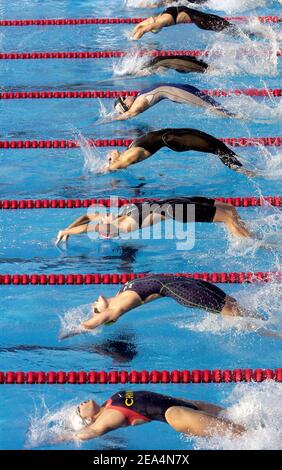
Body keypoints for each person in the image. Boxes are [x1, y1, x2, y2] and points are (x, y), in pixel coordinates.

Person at [59, 390, 245, 441]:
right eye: (78, 410)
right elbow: (91, 432)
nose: (80, 405)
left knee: (240, 421)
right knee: (242, 434)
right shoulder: (107, 417)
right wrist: (61, 438)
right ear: (88, 419)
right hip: (175, 414)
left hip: (183, 404)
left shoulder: (108, 403)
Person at [55, 196, 252, 245]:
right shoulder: (121, 225)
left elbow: (86, 216)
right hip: (175, 210)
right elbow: (87, 226)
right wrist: (66, 233)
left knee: (228, 207)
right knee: (226, 218)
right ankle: (252, 244)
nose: (102, 214)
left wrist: (66, 227)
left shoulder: (119, 213)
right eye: (102, 221)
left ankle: (247, 235)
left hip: (173, 201)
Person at [102, 128, 254, 176]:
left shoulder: (129, 150)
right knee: (216, 148)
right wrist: (108, 165)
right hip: (173, 139)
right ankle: (246, 171)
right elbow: (114, 166)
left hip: (173, 136)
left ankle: (243, 166)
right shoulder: (128, 157)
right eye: (111, 155)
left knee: (218, 145)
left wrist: (112, 158)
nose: (112, 151)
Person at [113, 83, 239, 121]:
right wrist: (111, 119)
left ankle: (238, 115)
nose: (126, 94)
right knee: (217, 111)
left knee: (216, 106)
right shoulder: (137, 104)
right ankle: (243, 118)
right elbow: (130, 114)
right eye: (124, 98)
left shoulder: (138, 96)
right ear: (126, 105)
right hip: (180, 93)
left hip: (182, 88)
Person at [132, 5, 239, 40]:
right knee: (228, 27)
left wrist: (133, 41)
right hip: (200, 18)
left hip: (201, 20)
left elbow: (142, 29)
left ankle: (245, 33)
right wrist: (131, 35)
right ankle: (247, 33)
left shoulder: (162, 22)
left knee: (227, 28)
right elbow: (140, 26)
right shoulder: (161, 15)